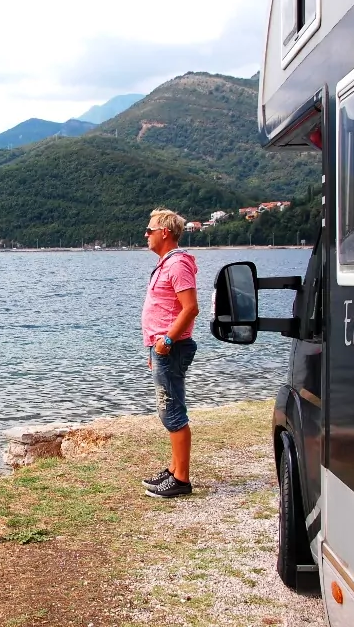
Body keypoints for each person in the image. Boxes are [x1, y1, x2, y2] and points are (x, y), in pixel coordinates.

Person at [140, 208, 199, 498]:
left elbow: (191, 308)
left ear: (165, 232)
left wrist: (166, 341)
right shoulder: (167, 264)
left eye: (149, 230)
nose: (146, 235)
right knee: (168, 409)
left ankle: (182, 480)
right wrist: (155, 346)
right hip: (163, 348)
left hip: (171, 347)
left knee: (172, 411)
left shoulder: (177, 264)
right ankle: (175, 470)